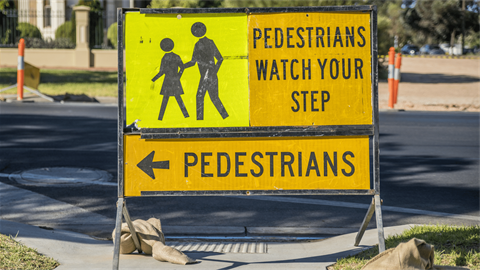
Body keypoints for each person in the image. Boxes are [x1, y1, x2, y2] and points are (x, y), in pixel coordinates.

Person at [184, 22, 229, 120]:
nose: (197, 32)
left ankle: (200, 121)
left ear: (202, 30)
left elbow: (220, 58)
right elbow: (193, 62)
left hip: (208, 75)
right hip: (207, 75)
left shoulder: (209, 42)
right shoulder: (197, 44)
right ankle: (225, 117)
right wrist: (183, 66)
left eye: (198, 29)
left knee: (201, 97)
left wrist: (214, 71)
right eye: (195, 30)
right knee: (213, 98)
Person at [152, 38, 189, 121]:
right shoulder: (176, 56)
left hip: (168, 81)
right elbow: (182, 67)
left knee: (166, 99)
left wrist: (153, 79)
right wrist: (178, 76)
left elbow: (161, 72)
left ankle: (160, 118)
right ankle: (186, 115)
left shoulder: (164, 57)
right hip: (174, 80)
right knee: (177, 98)